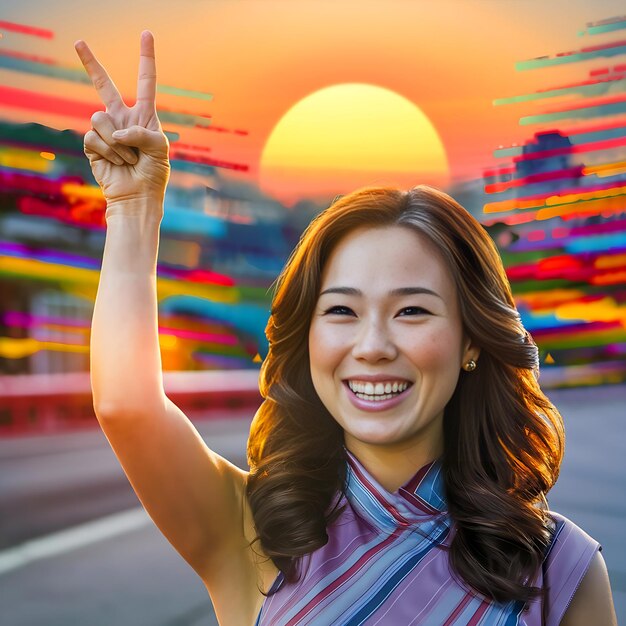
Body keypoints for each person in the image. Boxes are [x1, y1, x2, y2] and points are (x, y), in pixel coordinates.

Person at [75, 30, 617, 626]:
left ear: (470, 340)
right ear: (307, 340)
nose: (374, 346)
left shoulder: (557, 568)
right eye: (341, 311)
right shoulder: (252, 527)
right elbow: (127, 403)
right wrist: (133, 208)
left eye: (412, 311)